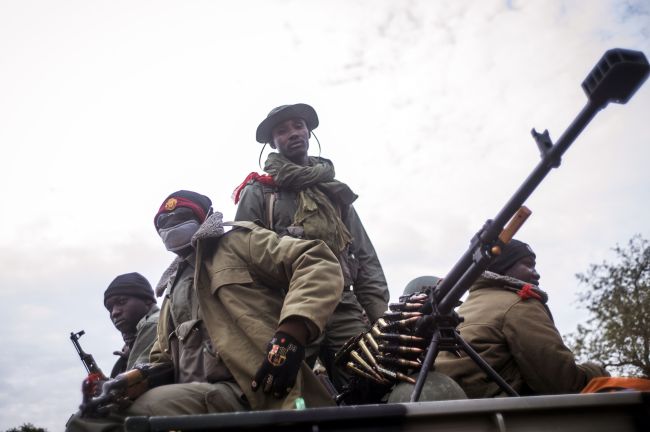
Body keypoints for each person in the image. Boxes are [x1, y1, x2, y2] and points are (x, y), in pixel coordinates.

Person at [66, 190, 342, 431]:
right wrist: (128, 382)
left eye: (181, 217)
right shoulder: (173, 289)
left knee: (99, 423)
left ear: (204, 216)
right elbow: (163, 359)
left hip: (253, 389)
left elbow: (316, 261)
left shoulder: (238, 243)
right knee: (96, 413)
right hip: (199, 396)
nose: (171, 226)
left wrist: (291, 334)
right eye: (164, 223)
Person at [233, 103, 389, 390]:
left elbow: (365, 258)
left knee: (371, 382)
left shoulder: (334, 192)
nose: (293, 134)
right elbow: (242, 258)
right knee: (288, 388)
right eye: (282, 131)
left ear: (308, 131)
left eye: (298, 126)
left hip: (344, 305)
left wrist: (380, 321)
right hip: (288, 307)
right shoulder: (259, 192)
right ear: (273, 142)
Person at [434, 239, 609, 398]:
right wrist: (597, 372)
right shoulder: (519, 305)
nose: (536, 274)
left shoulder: (467, 306)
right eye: (528, 265)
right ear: (503, 266)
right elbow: (562, 383)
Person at [103, 272, 160, 377]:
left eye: (122, 301)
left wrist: (106, 387)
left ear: (147, 300)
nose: (114, 312)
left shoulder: (153, 324)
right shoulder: (136, 337)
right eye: (110, 308)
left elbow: (134, 385)